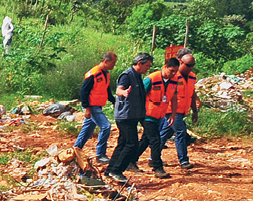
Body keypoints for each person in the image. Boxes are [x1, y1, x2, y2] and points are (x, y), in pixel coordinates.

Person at [107, 53, 155, 184]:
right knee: (132, 144)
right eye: (147, 65)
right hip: (125, 116)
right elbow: (119, 90)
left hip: (133, 115)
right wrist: (123, 93)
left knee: (122, 143)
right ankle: (117, 170)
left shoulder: (138, 76)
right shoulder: (127, 75)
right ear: (139, 63)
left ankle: (110, 169)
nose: (148, 68)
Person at [137, 55, 180, 180]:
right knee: (155, 141)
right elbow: (139, 96)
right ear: (165, 67)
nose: (173, 74)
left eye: (175, 71)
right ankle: (158, 167)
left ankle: (131, 160)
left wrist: (173, 114)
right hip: (147, 115)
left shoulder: (174, 81)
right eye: (171, 71)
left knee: (145, 140)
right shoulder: (151, 79)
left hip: (159, 116)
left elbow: (173, 98)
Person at [74, 51, 116, 163]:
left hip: (97, 106)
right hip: (92, 106)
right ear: (106, 61)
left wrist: (113, 100)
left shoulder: (105, 74)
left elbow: (106, 89)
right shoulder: (94, 73)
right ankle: (100, 155)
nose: (114, 65)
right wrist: (86, 107)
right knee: (106, 126)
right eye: (113, 62)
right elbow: (84, 91)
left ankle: (75, 150)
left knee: (87, 130)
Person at [163, 49, 199, 170]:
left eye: (192, 66)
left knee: (165, 133)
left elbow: (192, 94)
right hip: (170, 110)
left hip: (182, 110)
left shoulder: (193, 77)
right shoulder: (173, 75)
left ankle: (153, 158)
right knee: (181, 132)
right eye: (188, 65)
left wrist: (195, 111)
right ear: (180, 62)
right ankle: (183, 161)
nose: (191, 68)